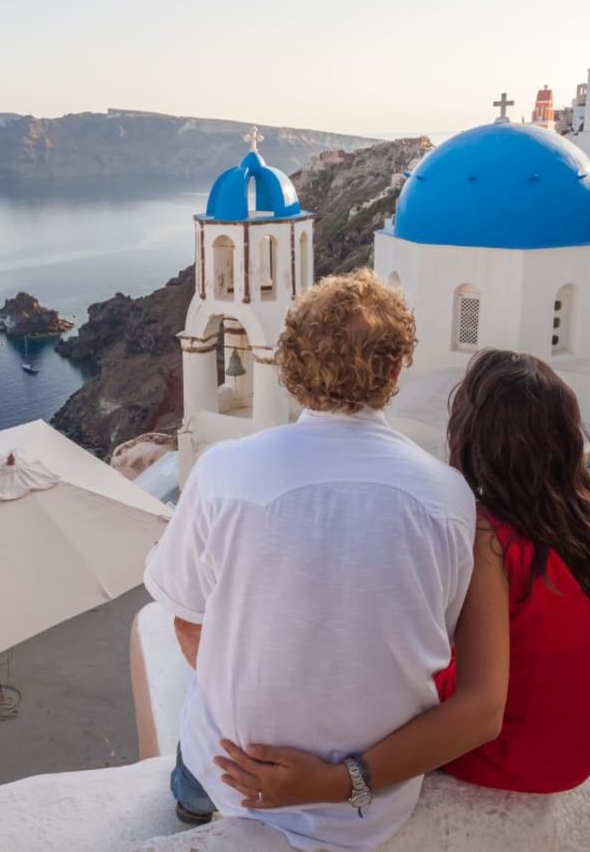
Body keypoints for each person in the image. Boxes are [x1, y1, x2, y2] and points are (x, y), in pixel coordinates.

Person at [213, 349, 590, 812]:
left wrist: (334, 783)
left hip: (510, 758)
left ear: (473, 437)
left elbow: (482, 712)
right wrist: (585, 733)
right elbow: (574, 636)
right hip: (581, 746)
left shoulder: (491, 538)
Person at [143, 271, 476, 852]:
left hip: (235, 776)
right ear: (395, 371)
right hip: (374, 804)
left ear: (291, 367)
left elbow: (185, 620)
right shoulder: (447, 497)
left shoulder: (224, 472)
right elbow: (432, 638)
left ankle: (190, 808)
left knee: (191, 749)